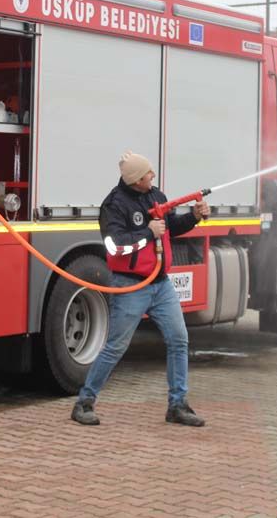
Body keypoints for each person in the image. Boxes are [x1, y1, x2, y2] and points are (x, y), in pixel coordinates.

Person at [71, 151, 210, 428]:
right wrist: (148, 232)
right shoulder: (113, 206)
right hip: (130, 285)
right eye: (149, 173)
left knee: (179, 340)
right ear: (136, 179)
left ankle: (178, 405)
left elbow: (169, 228)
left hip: (161, 286)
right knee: (115, 347)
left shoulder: (155, 196)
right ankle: (84, 403)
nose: (153, 176)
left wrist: (193, 217)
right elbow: (115, 245)